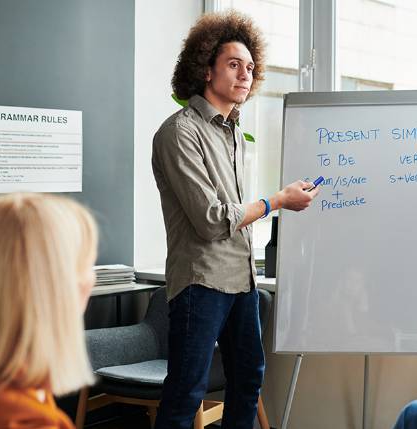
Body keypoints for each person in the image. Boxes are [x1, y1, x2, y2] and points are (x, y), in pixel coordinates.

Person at [151, 11, 318, 429]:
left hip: (241, 281)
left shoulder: (233, 134)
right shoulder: (179, 133)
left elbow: (231, 214)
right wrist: (276, 200)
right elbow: (211, 219)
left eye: (250, 67)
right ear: (206, 68)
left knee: (247, 383)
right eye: (233, 64)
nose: (245, 74)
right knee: (186, 393)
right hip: (200, 282)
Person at [0, 193, 99, 429]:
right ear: (54, 295)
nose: (92, 280)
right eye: (87, 265)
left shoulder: (14, 393)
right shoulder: (26, 421)